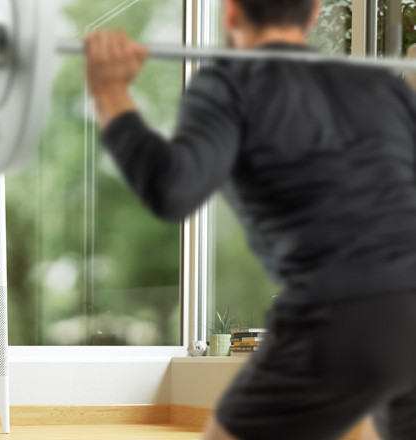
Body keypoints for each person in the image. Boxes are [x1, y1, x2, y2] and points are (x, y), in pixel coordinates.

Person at [85, 0, 416, 439]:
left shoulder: (231, 83)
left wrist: (111, 94)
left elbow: (172, 190)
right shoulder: (380, 86)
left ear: (232, 13)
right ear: (313, 12)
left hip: (340, 316)